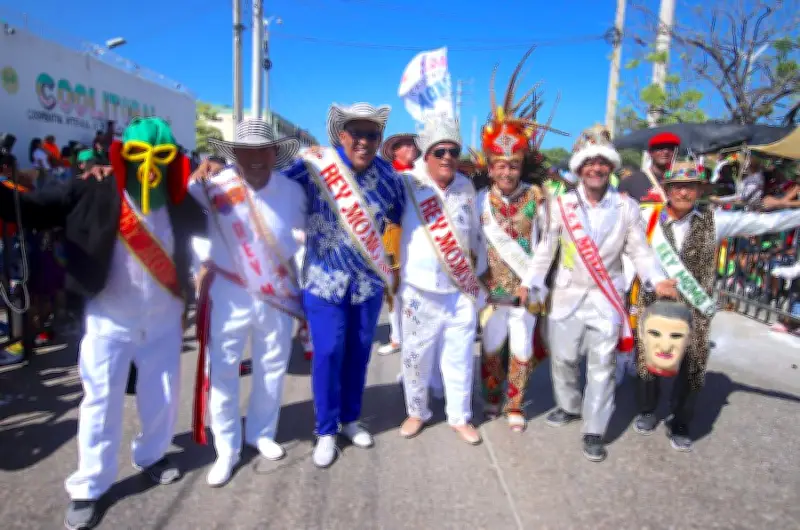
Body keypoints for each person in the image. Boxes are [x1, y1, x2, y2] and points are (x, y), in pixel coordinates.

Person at [0, 117, 205, 529]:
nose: (150, 166)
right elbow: (36, 208)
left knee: (162, 395)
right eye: (138, 156)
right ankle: (89, 486)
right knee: (100, 402)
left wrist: (214, 169)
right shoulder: (90, 188)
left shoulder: (182, 198)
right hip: (109, 316)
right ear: (121, 155)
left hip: (163, 317)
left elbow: (216, 217)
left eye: (161, 156)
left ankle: (151, 454)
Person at [524, 126, 677, 462]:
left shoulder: (626, 208)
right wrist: (533, 281)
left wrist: (656, 279)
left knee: (602, 366)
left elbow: (640, 252)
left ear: (611, 167)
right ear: (579, 168)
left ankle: (594, 430)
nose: (596, 168)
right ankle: (569, 406)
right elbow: (545, 251)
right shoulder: (559, 205)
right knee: (563, 358)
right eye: (589, 163)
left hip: (607, 299)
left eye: (602, 163)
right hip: (566, 296)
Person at [632, 158, 800, 450]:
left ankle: (681, 421)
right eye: (677, 187)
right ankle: (648, 410)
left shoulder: (715, 220)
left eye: (690, 187)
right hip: (655, 302)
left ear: (699, 190)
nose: (683, 193)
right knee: (648, 361)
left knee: (694, 365)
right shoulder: (647, 218)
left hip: (695, 307)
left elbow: (767, 223)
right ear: (668, 189)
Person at [283, 103, 405, 468]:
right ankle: (324, 430)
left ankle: (350, 419)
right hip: (324, 282)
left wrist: (394, 267)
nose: (364, 142)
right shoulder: (316, 165)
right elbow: (270, 186)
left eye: (372, 135)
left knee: (358, 353)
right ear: (342, 135)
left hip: (367, 286)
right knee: (327, 353)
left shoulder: (389, 177)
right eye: (357, 134)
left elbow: (398, 220)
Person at [189, 119, 306, 487]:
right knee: (222, 371)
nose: (255, 158)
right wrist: (206, 162)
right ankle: (226, 448)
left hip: (276, 292)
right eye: (247, 150)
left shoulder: (292, 191)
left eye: (263, 150)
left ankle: (261, 432)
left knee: (272, 366)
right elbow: (176, 197)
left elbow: (303, 238)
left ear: (274, 153)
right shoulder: (210, 186)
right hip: (228, 290)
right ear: (234, 154)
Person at [396, 115, 486, 444]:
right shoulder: (407, 184)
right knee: (417, 356)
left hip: (459, 290)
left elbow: (476, 235)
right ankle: (417, 411)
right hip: (420, 290)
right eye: (440, 151)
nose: (448, 157)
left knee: (460, 357)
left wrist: (479, 279)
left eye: (453, 151)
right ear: (427, 155)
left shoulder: (465, 186)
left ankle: (460, 416)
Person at [476, 51, 553, 433]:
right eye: (500, 165)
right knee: (491, 346)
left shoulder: (538, 198)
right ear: (489, 167)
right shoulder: (478, 201)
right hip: (491, 290)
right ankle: (491, 397)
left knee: (521, 347)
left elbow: (547, 244)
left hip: (525, 289)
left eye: (513, 165)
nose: (507, 172)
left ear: (522, 166)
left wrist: (532, 281)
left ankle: (515, 404)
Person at [378, 133, 420, 356]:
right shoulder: (385, 174)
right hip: (391, 235)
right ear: (395, 151)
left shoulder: (422, 175)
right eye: (404, 145)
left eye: (412, 144)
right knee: (392, 286)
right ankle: (396, 337)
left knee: (416, 285)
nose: (410, 147)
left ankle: (415, 335)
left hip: (417, 236)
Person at [618, 131, 681, 203]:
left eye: (670, 148)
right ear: (650, 152)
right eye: (660, 147)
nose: (666, 151)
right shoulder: (630, 182)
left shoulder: (680, 181)